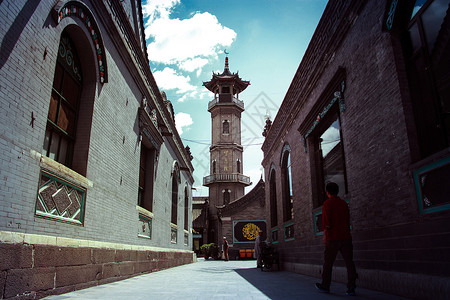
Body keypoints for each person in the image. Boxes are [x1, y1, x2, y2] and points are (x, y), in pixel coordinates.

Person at [315, 182, 357, 296]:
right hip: (346, 237)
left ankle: (325, 285)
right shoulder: (343, 203)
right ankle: (351, 287)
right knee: (349, 263)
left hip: (332, 238)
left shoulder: (327, 204)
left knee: (328, 263)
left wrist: (325, 236)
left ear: (327, 192)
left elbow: (327, 223)